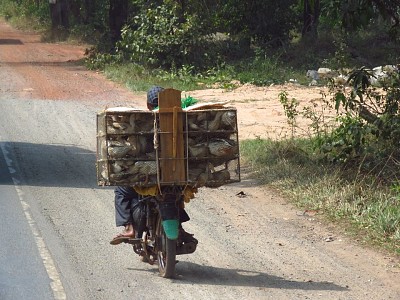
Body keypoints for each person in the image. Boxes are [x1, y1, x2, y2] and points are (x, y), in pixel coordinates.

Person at [110, 86, 196, 245]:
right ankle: (180, 228)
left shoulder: (145, 121)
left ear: (148, 105)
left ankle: (129, 227)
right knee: (177, 193)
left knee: (121, 189)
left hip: (150, 176)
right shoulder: (182, 119)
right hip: (177, 174)